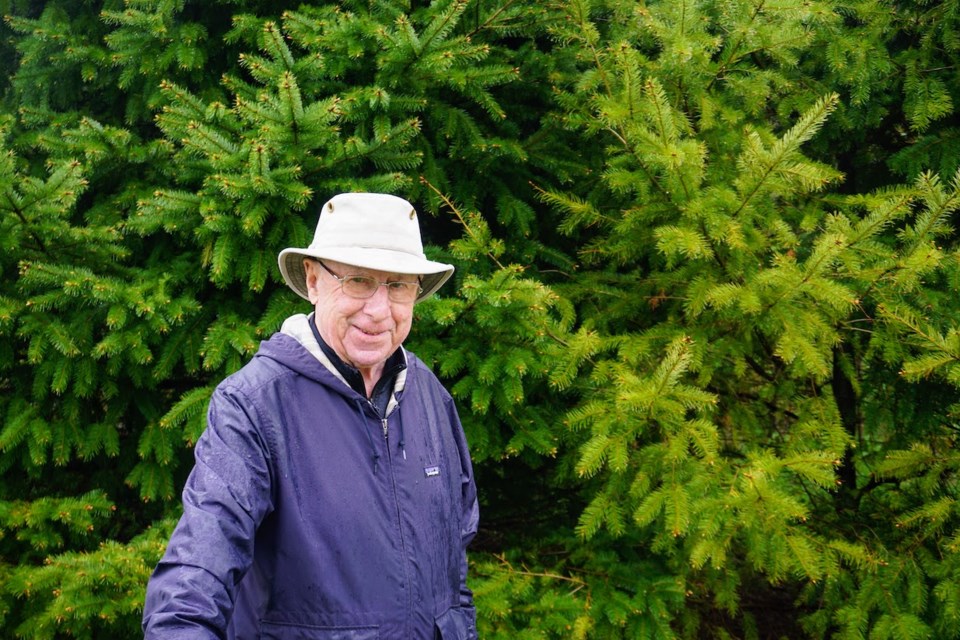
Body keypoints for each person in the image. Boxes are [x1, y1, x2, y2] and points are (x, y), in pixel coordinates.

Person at [142, 192, 479, 639]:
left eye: (398, 285)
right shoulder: (254, 406)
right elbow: (196, 573)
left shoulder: (431, 398)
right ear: (314, 280)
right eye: (359, 281)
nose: (379, 311)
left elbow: (454, 574)